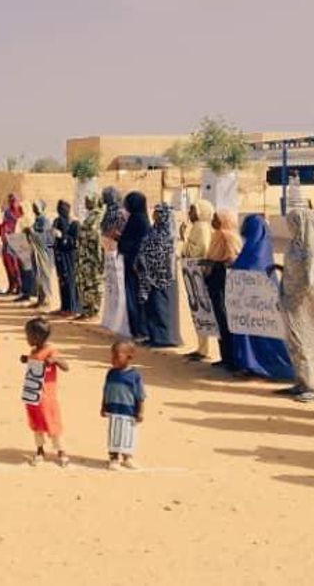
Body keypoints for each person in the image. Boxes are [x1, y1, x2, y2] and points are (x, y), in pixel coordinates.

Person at [228, 215, 293, 380]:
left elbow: (248, 267)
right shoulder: (256, 247)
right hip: (247, 303)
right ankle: (249, 364)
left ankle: (263, 366)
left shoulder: (255, 251)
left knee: (264, 332)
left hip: (260, 303)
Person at [279, 209, 314, 402]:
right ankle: (301, 380)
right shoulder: (295, 244)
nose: (289, 226)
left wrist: (296, 293)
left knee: (309, 341)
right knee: (296, 342)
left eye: (293, 222)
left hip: (306, 305)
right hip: (292, 303)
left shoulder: (311, 247)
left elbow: (310, 276)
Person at [21, 316, 68, 467]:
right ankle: (40, 450)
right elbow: (35, 364)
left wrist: (55, 360)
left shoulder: (51, 350)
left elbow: (66, 366)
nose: (26, 338)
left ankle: (61, 451)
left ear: (38, 336)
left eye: (28, 335)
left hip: (47, 397)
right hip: (33, 395)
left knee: (52, 423)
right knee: (37, 423)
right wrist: (26, 359)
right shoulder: (34, 351)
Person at [136, 203, 181, 348]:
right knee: (151, 306)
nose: (155, 215)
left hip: (162, 277)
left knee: (160, 306)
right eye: (155, 212)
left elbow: (167, 257)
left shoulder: (168, 234)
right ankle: (153, 335)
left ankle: (163, 337)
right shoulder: (153, 230)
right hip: (148, 275)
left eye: (158, 212)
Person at [204, 209, 242, 370]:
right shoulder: (216, 236)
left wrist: (216, 264)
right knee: (219, 319)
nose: (213, 220)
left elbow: (233, 259)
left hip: (223, 280)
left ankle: (232, 358)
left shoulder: (229, 237)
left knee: (226, 319)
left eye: (216, 218)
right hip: (214, 280)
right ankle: (224, 356)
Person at [102, 341, 144, 470]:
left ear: (129, 357)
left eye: (117, 356)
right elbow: (106, 390)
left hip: (129, 410)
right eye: (112, 356)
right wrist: (103, 406)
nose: (113, 359)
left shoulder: (134, 376)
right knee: (114, 434)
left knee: (128, 434)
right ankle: (114, 458)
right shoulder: (111, 373)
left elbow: (140, 395)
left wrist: (140, 411)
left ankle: (127, 458)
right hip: (114, 409)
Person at [181, 201, 214, 361]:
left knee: (203, 310)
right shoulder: (197, 228)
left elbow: (200, 250)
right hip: (193, 273)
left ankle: (204, 349)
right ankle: (201, 348)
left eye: (193, 210)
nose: (189, 213)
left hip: (199, 273)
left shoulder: (201, 228)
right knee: (198, 311)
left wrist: (185, 247)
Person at [117, 192, 150, 341]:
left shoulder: (139, 220)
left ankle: (140, 330)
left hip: (135, 265)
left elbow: (140, 243)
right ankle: (136, 329)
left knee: (136, 297)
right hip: (131, 262)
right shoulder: (136, 219)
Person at [76, 195, 104, 318]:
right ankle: (87, 309)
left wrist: (99, 259)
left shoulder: (97, 217)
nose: (86, 202)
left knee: (93, 284)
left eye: (89, 200)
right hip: (85, 257)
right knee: (85, 283)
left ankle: (94, 310)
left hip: (92, 258)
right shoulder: (90, 216)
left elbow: (97, 239)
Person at [52, 200, 81, 316]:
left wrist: (63, 236)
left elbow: (75, 242)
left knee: (70, 281)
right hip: (60, 256)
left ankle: (72, 308)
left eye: (62, 208)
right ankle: (64, 306)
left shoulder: (74, 224)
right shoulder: (57, 221)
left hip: (70, 257)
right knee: (62, 281)